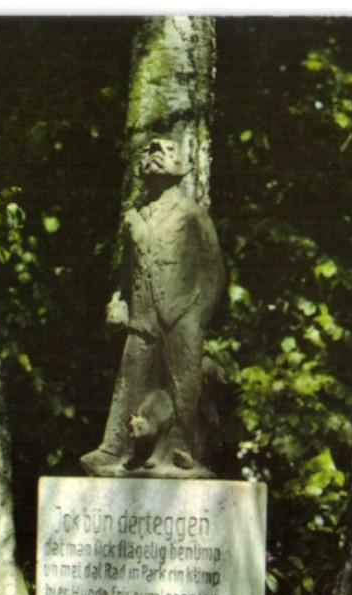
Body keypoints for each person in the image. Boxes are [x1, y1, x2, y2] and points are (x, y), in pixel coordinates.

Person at [81, 137, 224, 476]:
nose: (157, 159)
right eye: (151, 154)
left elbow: (213, 267)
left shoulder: (191, 213)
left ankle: (181, 449)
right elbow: (127, 270)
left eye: (166, 154)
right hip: (143, 313)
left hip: (182, 312)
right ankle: (115, 448)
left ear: (179, 168)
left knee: (184, 384)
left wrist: (198, 314)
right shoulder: (136, 217)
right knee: (130, 378)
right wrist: (120, 302)